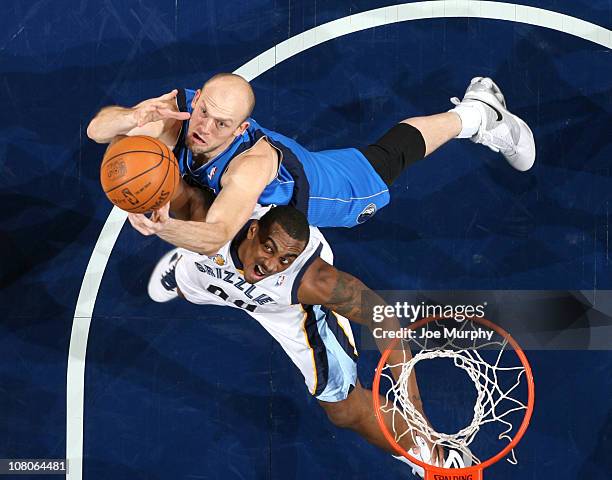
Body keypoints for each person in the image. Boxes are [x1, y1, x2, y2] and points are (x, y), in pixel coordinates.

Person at [146, 197, 470, 477]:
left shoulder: (314, 283)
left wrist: (414, 406)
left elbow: (381, 315)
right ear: (254, 230)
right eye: (269, 249)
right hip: (218, 265)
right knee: (193, 284)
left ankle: (431, 453)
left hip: (288, 310)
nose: (270, 264)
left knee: (344, 411)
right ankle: (185, 263)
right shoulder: (217, 215)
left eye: (285, 259)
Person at [87, 74, 536, 255]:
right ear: (197, 97)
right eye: (203, 110)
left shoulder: (250, 164)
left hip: (318, 189)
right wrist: (129, 118)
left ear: (241, 129)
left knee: (384, 161)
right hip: (238, 187)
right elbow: (96, 130)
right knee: (186, 183)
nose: (203, 126)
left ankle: (479, 115)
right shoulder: (179, 112)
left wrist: (162, 227)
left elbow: (216, 236)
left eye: (221, 123)